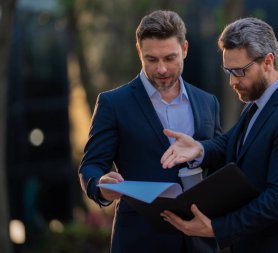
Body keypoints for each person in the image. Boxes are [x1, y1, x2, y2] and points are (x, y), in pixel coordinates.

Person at [160, 17, 278, 253]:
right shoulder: (259, 101)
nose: (232, 81)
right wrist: (200, 149)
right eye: (228, 71)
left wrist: (217, 228)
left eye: (239, 71)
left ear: (268, 61)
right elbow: (236, 142)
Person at [78, 10, 222, 253]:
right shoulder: (113, 104)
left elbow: (219, 155)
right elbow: (90, 167)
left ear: (185, 49)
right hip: (139, 240)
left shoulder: (208, 102)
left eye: (170, 58)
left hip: (200, 242)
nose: (162, 69)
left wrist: (200, 151)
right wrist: (100, 186)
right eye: (152, 59)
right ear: (138, 52)